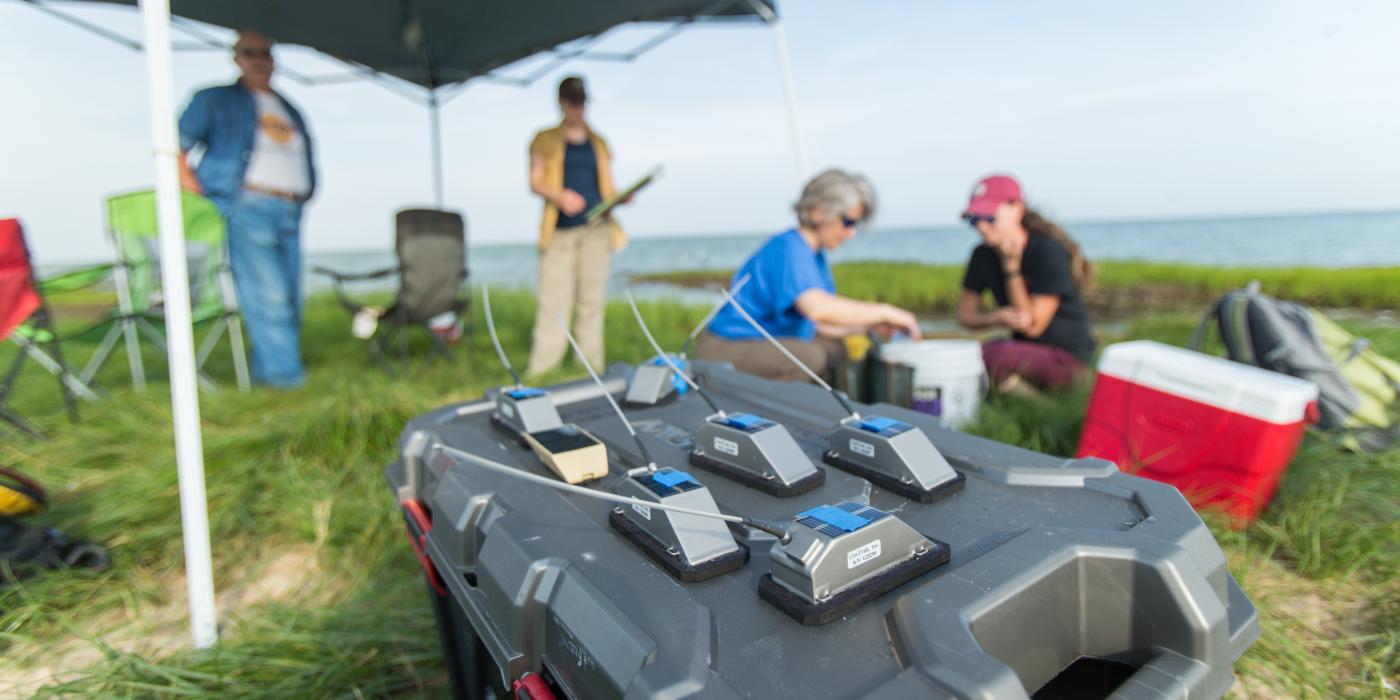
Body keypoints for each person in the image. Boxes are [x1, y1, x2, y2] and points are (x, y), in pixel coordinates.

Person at [177, 29, 315, 388]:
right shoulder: (214, 99)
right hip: (247, 204)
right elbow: (175, 144)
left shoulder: (288, 107)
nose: (259, 59)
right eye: (249, 51)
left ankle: (274, 369)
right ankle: (286, 381)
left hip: (291, 209)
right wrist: (195, 189)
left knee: (288, 293)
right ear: (236, 57)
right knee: (266, 292)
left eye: (266, 52)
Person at [696, 169, 921, 383]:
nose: (851, 233)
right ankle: (766, 413)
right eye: (847, 222)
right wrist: (885, 311)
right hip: (725, 347)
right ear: (818, 211)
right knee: (810, 357)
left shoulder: (815, 256)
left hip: (764, 342)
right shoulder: (789, 248)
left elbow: (818, 324)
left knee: (836, 348)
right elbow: (817, 308)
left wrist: (871, 324)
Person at [525, 76, 630, 377]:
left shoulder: (599, 142)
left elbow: (609, 188)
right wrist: (560, 196)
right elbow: (535, 182)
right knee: (553, 303)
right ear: (561, 102)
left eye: (582, 101)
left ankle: (590, 368)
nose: (578, 108)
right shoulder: (543, 138)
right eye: (573, 101)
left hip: (597, 230)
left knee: (591, 303)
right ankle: (542, 370)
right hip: (559, 231)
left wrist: (622, 197)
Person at [956, 174, 1096, 391]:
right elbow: (965, 316)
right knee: (969, 355)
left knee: (989, 354)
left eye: (989, 217)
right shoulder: (981, 255)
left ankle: (1043, 399)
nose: (981, 227)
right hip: (1025, 352)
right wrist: (996, 317)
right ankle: (1028, 399)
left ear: (1017, 209)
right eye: (974, 219)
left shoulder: (1047, 250)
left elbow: (1032, 326)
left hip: (1067, 357)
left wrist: (1011, 268)